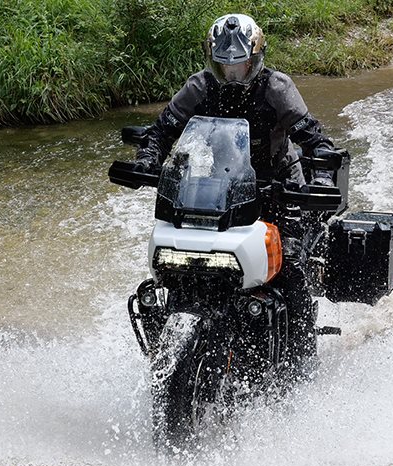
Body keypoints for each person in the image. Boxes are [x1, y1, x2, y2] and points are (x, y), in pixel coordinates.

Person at [134, 13, 343, 370]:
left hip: (279, 188)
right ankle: (167, 340)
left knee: (290, 265)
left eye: (240, 64)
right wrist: (147, 158)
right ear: (212, 60)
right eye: (223, 65)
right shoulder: (199, 87)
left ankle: (301, 363)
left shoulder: (277, 88)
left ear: (255, 59)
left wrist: (322, 170)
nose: (232, 73)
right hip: (217, 190)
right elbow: (161, 130)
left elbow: (312, 136)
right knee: (179, 262)